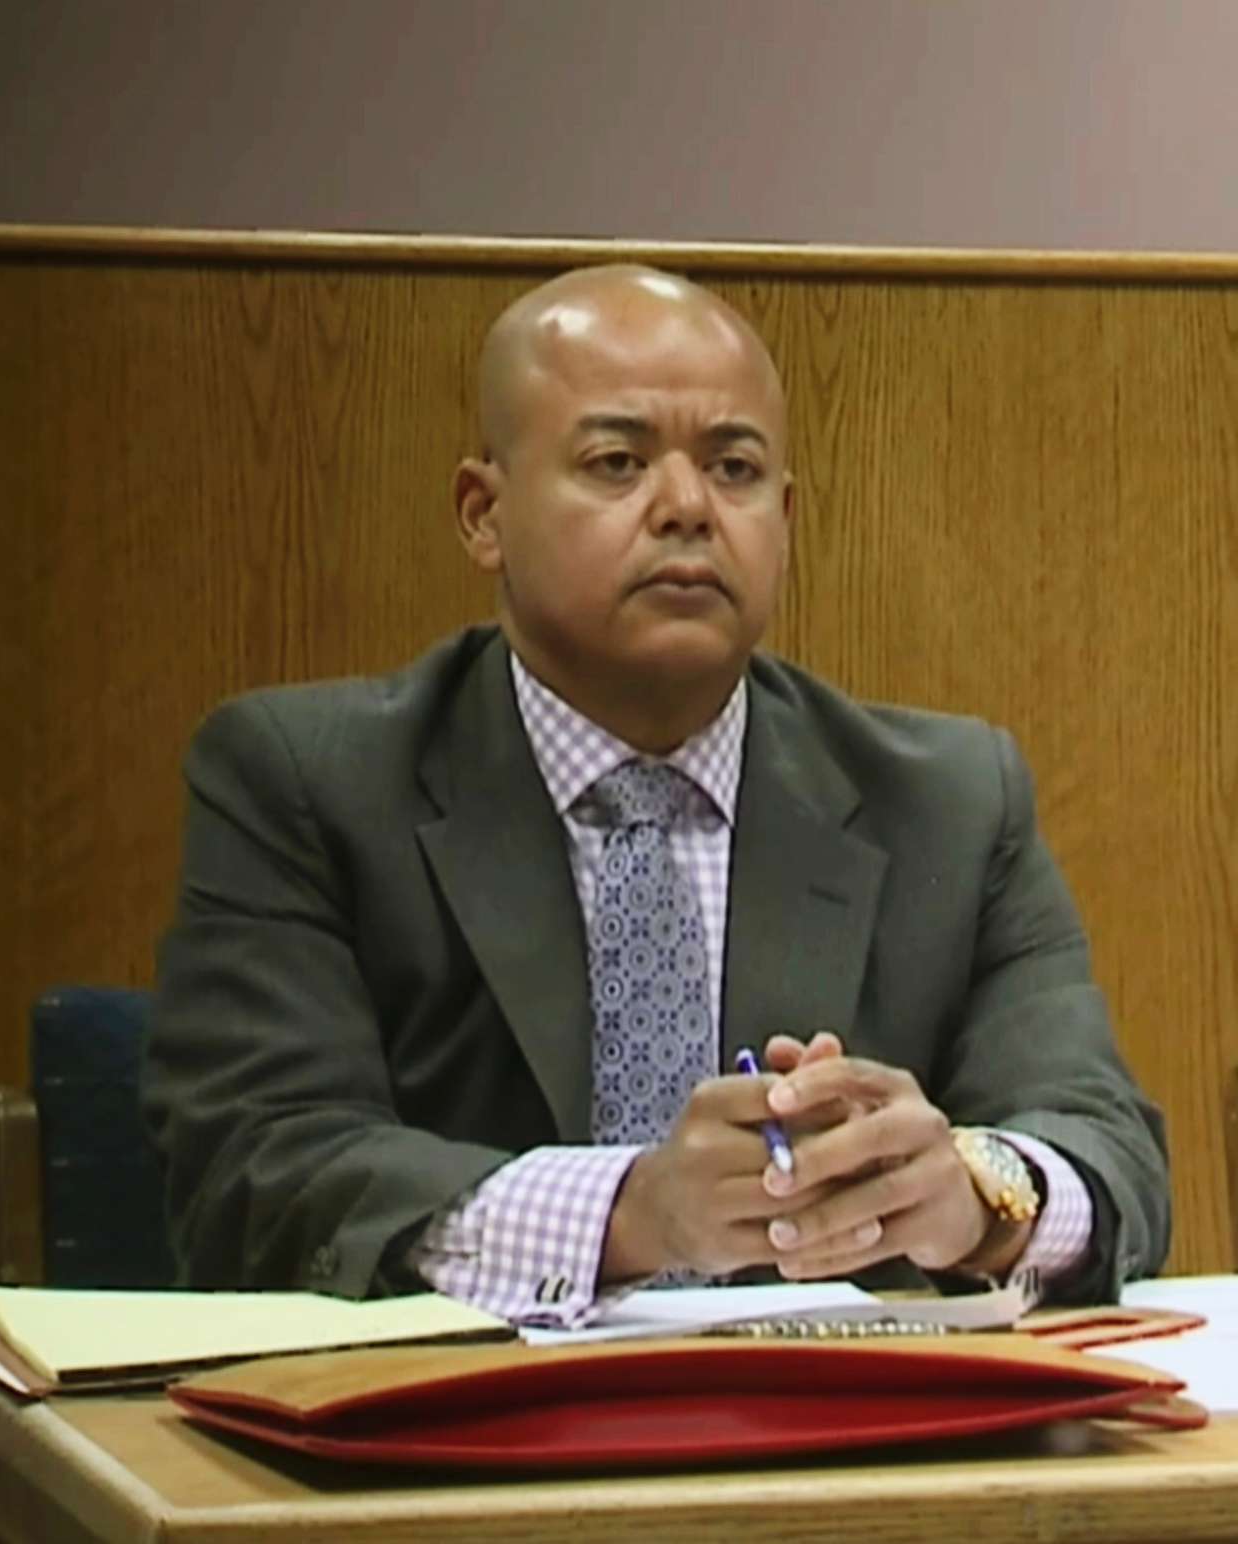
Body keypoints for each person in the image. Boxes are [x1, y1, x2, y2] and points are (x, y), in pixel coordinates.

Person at [143, 265, 1168, 1317]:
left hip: (841, 1447)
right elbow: (254, 1169)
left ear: (786, 515)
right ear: (482, 513)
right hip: (452, 1447)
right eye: (617, 461)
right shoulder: (306, 781)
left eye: (734, 468)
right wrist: (635, 1212)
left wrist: (975, 1196)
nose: (686, 507)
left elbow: (1106, 1148)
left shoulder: (947, 799)